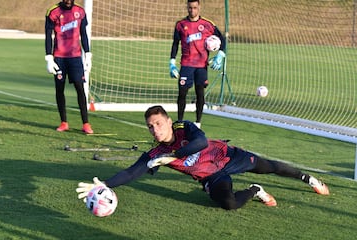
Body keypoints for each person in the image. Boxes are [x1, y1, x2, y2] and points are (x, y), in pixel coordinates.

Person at [76, 105, 330, 211]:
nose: (155, 129)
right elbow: (132, 172)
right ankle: (255, 190)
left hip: (229, 157)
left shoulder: (183, 128)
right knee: (228, 204)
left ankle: (309, 179)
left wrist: (174, 155)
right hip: (212, 175)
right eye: (150, 127)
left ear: (167, 121)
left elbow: (201, 142)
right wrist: (105, 185)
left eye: (158, 123)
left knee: (270, 166)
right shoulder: (154, 154)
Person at [169, 0, 226, 129]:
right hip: (186, 64)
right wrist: (172, 61)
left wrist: (221, 55)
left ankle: (198, 122)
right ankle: (180, 122)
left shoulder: (207, 24)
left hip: (201, 66)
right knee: (182, 92)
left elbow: (222, 40)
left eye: (194, 8)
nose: (192, 10)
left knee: (200, 92)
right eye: (190, 8)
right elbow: (175, 44)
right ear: (187, 8)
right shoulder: (180, 25)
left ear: (199, 7)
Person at [45, 0, 93, 134]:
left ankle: (86, 123)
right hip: (59, 58)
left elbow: (83, 34)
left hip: (75, 57)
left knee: (79, 87)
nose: (68, 1)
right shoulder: (52, 12)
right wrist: (49, 57)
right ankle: (64, 122)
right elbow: (48, 36)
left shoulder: (80, 12)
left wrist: (88, 53)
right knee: (59, 88)